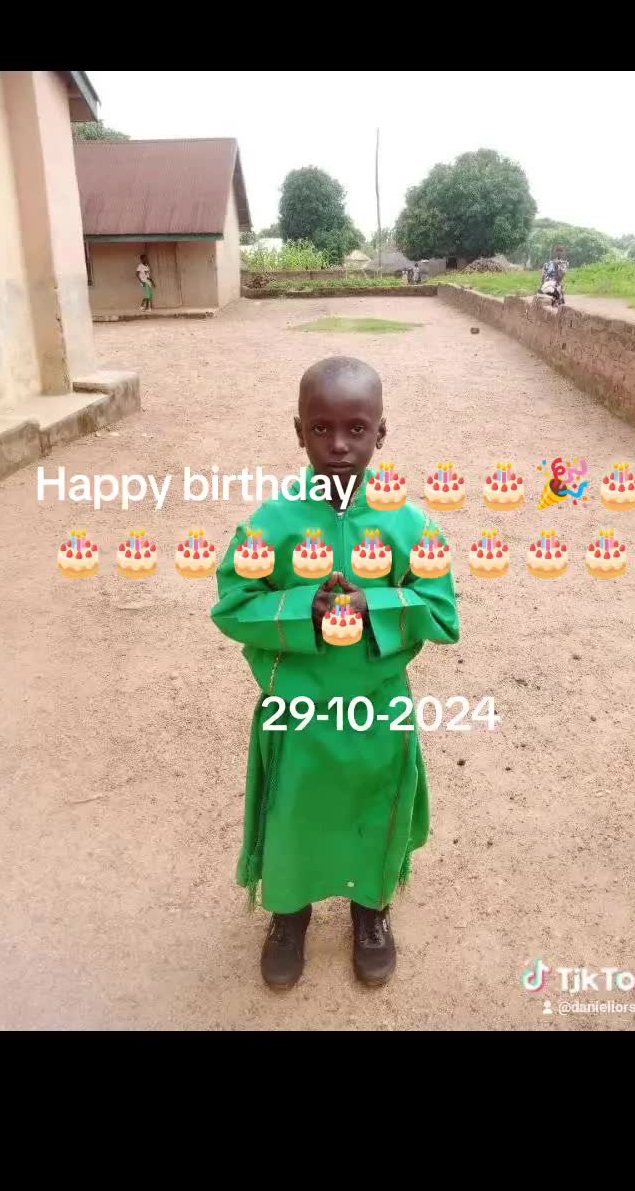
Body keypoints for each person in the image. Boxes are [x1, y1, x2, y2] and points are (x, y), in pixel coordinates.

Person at [211, 357, 459, 989]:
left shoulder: (409, 524)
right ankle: (289, 914)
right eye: (322, 429)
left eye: (357, 428)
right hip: (299, 710)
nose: (340, 445)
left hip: (377, 706)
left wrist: (375, 603)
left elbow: (440, 609)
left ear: (382, 432)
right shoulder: (272, 523)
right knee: (293, 812)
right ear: (299, 432)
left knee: (372, 809)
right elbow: (234, 602)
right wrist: (303, 607)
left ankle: (370, 910)